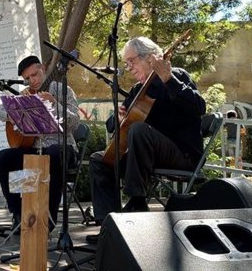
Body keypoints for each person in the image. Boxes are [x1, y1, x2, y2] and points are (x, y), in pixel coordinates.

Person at [88, 37, 206, 230]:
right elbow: (112, 126)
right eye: (126, 64)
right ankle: (107, 225)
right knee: (100, 160)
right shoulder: (138, 90)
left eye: (131, 62)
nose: (129, 68)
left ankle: (137, 200)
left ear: (150, 58)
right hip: (144, 159)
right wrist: (117, 118)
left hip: (181, 153)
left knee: (139, 130)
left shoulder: (176, 75)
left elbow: (199, 107)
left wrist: (168, 79)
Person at [0, 55, 79, 233]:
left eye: (35, 75)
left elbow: (74, 122)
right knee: (4, 158)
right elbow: (0, 110)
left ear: (43, 69)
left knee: (53, 152)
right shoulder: (26, 93)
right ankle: (18, 213)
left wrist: (54, 103)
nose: (32, 81)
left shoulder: (62, 89)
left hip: (63, 148)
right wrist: (14, 115)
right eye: (27, 78)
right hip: (35, 149)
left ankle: (49, 217)